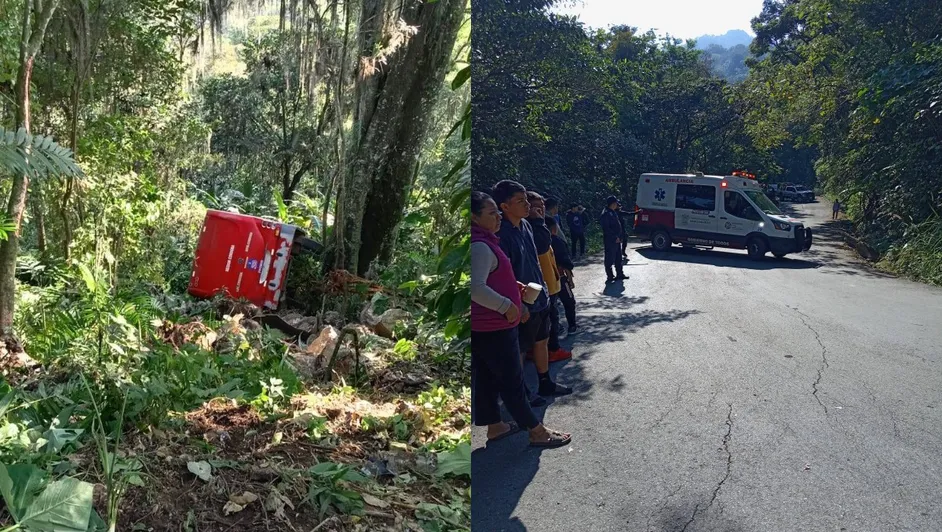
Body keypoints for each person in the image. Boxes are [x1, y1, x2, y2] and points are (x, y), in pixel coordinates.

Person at [471, 191, 572, 448]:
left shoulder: (487, 240)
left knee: (486, 377)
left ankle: (495, 426)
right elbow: (476, 288)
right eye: (492, 213)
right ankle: (537, 431)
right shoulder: (480, 246)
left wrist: (514, 287)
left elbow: (494, 276)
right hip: (495, 324)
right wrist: (507, 305)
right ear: (473, 217)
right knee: (512, 380)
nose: (497, 218)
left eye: (497, 212)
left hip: (485, 325)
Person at [492, 180, 573, 401]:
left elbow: (542, 248)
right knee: (519, 349)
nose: (527, 204)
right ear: (505, 206)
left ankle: (545, 382)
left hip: (540, 297)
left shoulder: (527, 225)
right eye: (520, 201)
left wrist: (538, 222)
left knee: (541, 341)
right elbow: (503, 275)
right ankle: (520, 393)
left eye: (526, 199)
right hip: (521, 302)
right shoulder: (502, 234)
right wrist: (518, 303)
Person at [526, 192, 572, 363]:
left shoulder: (541, 224)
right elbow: (543, 247)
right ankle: (552, 349)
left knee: (548, 317)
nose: (541, 209)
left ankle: (544, 348)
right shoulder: (531, 226)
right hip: (540, 282)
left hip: (549, 280)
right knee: (550, 319)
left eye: (542, 206)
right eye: (536, 206)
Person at [547, 216, 579, 335]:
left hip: (544, 280)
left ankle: (555, 327)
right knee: (569, 301)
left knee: (551, 305)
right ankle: (572, 326)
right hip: (559, 277)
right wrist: (570, 279)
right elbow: (565, 263)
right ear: (554, 228)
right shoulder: (556, 241)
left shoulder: (533, 239)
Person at [600, 195, 628, 284]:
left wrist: (619, 237)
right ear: (612, 204)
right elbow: (606, 228)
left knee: (618, 258)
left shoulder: (613, 212)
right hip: (610, 240)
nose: (617, 205)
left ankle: (620, 274)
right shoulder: (606, 214)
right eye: (616, 203)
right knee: (609, 258)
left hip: (617, 239)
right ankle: (610, 276)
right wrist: (614, 237)